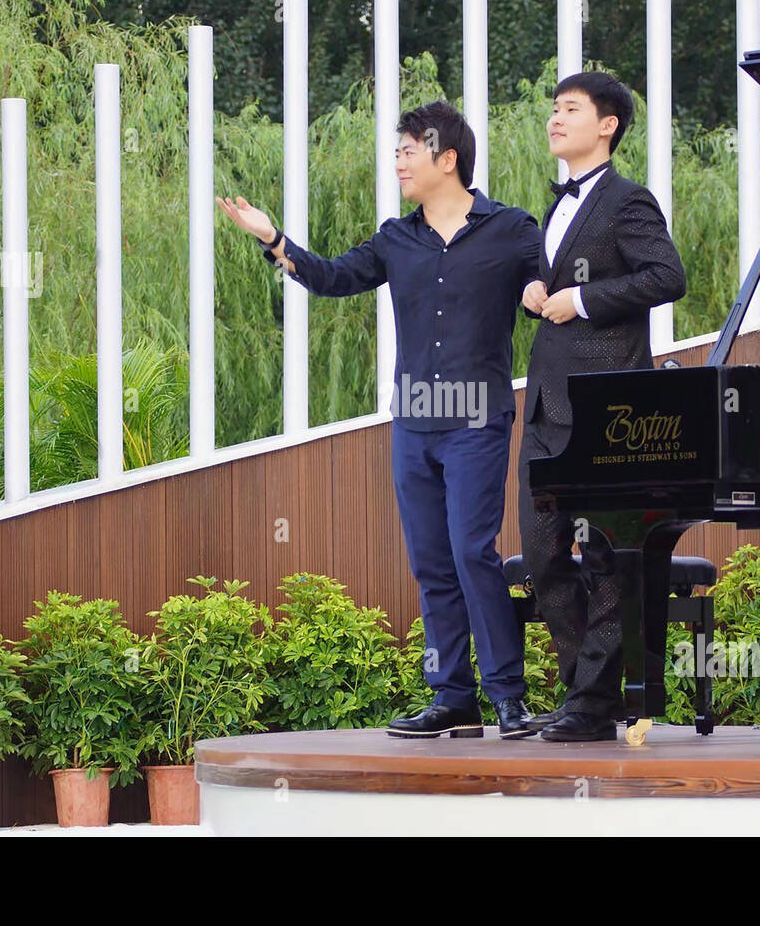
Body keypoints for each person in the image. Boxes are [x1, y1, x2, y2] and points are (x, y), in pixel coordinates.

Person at [220, 101, 543, 739]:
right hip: (415, 422)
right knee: (430, 562)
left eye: (407, 151)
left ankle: (508, 696)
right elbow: (334, 277)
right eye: (396, 151)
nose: (397, 161)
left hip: (477, 419)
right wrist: (274, 240)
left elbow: (543, 288)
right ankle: (452, 697)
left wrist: (540, 295)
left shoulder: (513, 229)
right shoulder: (397, 239)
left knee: (473, 552)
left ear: (446, 159)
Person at [517, 72, 687, 742]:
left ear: (608, 124)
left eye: (571, 109)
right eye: (553, 108)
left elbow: (667, 276)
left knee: (613, 558)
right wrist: (535, 287)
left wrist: (583, 300)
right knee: (544, 557)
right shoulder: (553, 204)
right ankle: (582, 696)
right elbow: (554, 283)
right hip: (546, 409)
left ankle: (591, 706)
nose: (556, 118)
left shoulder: (627, 200)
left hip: (608, 408)